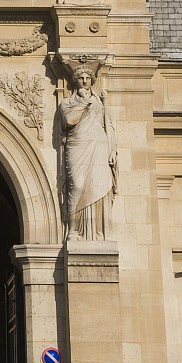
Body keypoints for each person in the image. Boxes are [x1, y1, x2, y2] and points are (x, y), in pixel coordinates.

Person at [60, 65, 117, 240]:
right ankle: (73, 230)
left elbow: (109, 126)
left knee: (99, 187)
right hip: (78, 144)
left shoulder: (101, 101)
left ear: (93, 81)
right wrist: (84, 102)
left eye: (88, 78)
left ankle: (97, 231)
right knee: (76, 186)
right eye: (80, 78)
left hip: (99, 145)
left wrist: (112, 148)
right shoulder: (67, 102)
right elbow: (69, 120)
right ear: (74, 81)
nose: (84, 81)